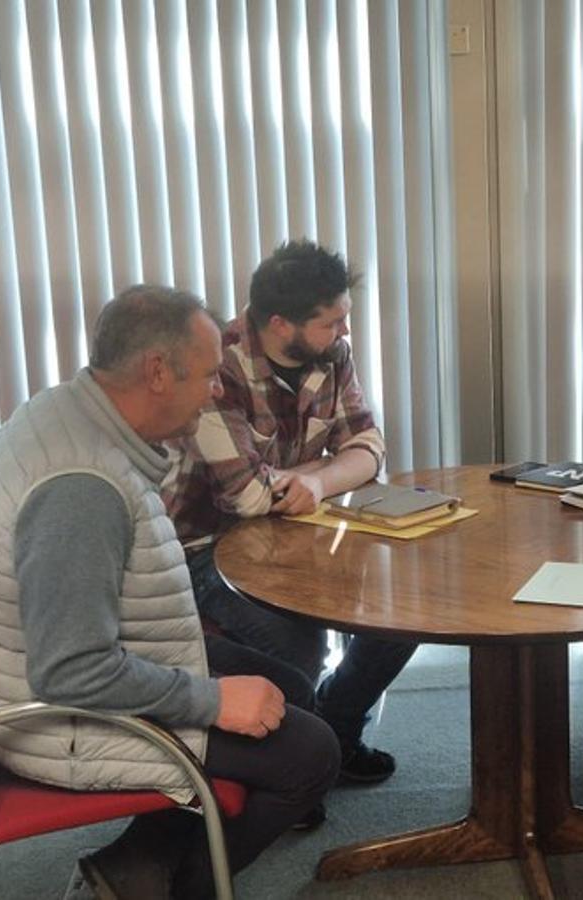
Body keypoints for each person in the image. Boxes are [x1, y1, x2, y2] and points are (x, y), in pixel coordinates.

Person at [0, 286, 340, 899]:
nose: (217, 390)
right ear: (157, 371)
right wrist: (211, 702)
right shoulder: (80, 490)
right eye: (209, 374)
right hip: (53, 721)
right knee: (311, 756)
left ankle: (133, 864)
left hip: (35, 671)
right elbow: (70, 671)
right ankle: (180, 889)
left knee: (290, 688)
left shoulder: (61, 413)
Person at [164, 239, 415, 783]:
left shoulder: (329, 353)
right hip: (208, 546)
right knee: (295, 646)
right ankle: (296, 771)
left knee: (406, 612)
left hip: (304, 529)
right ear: (281, 324)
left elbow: (370, 449)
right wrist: (321, 473)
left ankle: (335, 732)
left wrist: (317, 479)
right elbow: (248, 498)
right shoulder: (218, 365)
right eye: (332, 322)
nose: (345, 333)